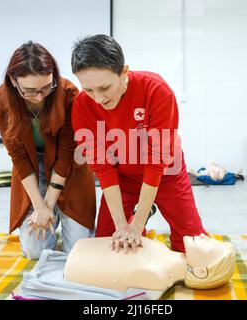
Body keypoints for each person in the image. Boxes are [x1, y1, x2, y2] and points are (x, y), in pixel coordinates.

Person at [71, 34, 208, 254]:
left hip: (166, 174)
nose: (98, 98)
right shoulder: (81, 106)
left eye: (105, 88)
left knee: (193, 248)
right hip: (122, 178)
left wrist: (136, 224)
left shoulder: (156, 91)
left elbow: (156, 164)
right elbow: (103, 168)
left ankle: (146, 211)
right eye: (88, 90)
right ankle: (141, 210)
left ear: (124, 72)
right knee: (111, 245)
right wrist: (123, 226)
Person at [0, 41, 96, 260]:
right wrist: (39, 207)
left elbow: (67, 154)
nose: (40, 97)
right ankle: (53, 216)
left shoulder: (68, 94)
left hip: (70, 167)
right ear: (13, 81)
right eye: (30, 91)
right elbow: (18, 157)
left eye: (46, 88)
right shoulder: (1, 100)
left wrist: (47, 206)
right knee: (34, 252)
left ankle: (61, 213)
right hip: (31, 165)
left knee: (77, 252)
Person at [63, 234, 236, 291]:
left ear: (200, 272)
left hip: (76, 264)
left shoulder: (157, 276)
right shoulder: (163, 251)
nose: (205, 236)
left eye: (210, 246)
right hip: (83, 251)